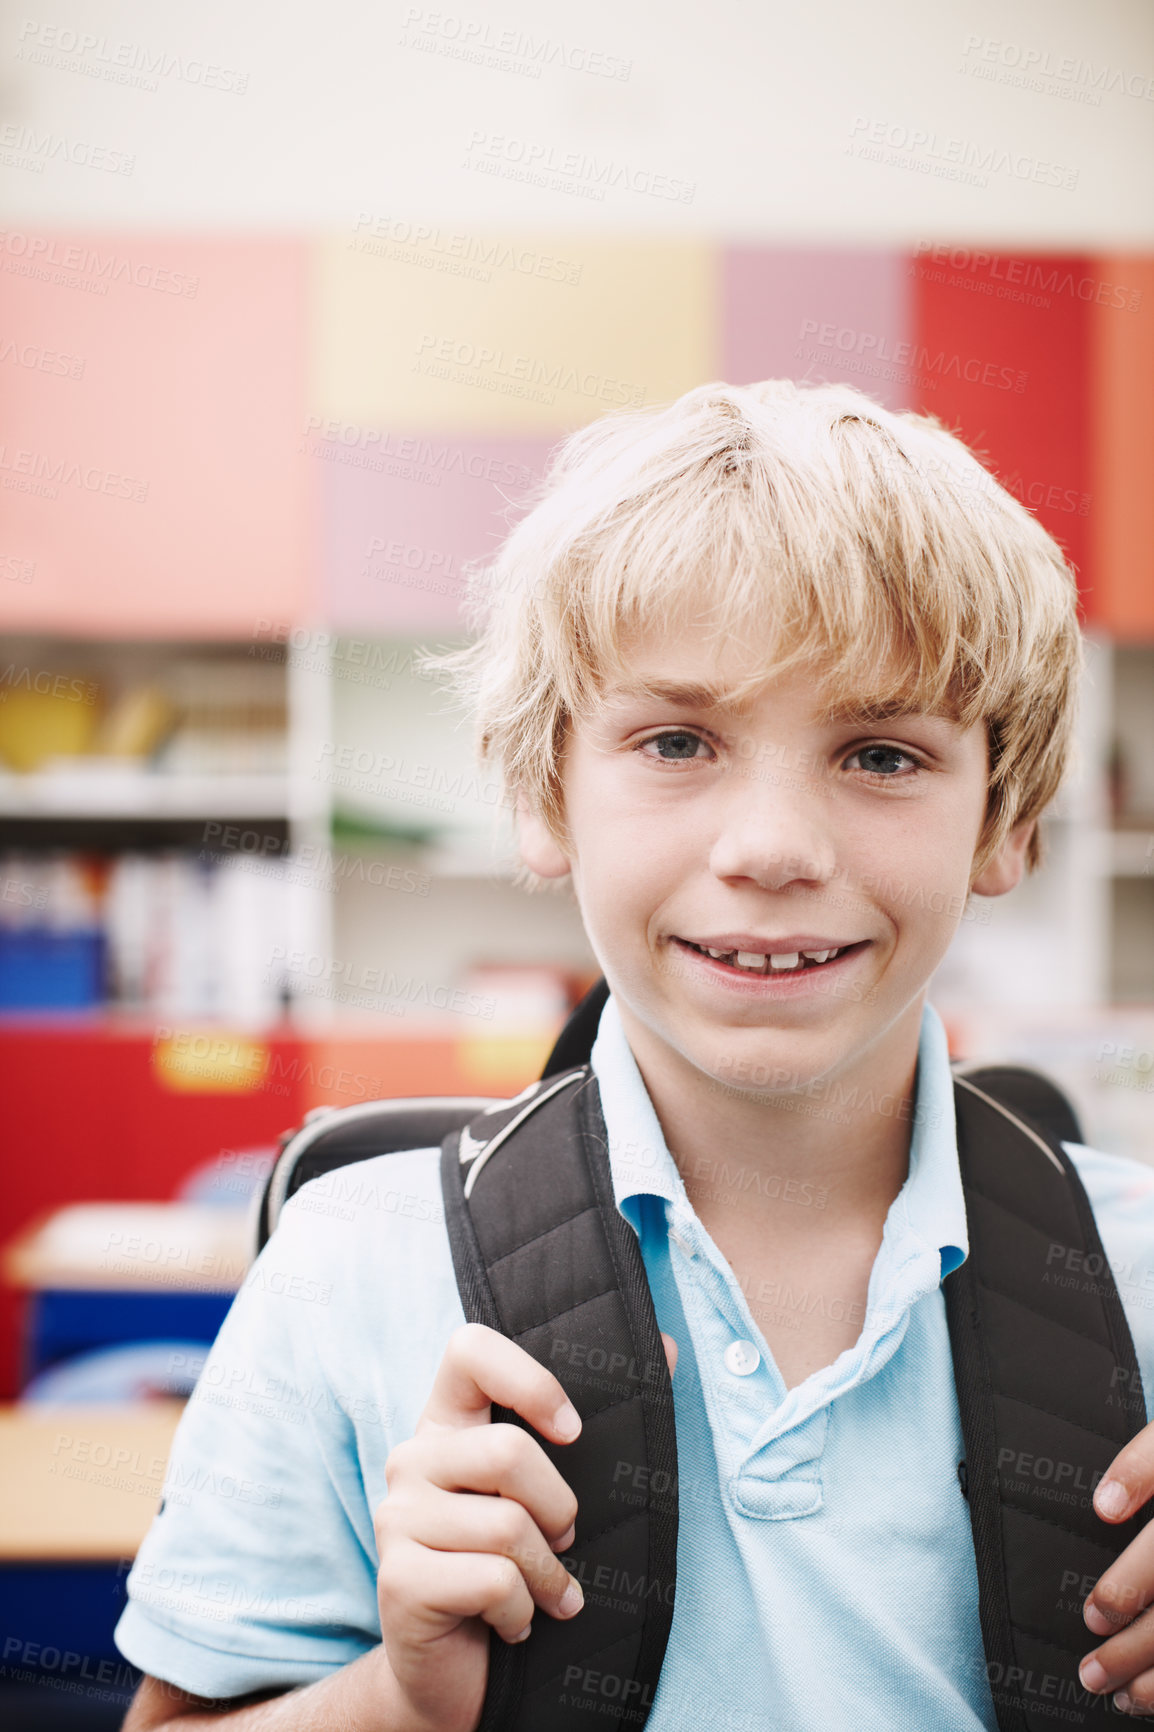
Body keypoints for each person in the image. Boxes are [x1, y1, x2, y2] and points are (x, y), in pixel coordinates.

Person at [118, 380, 1154, 1730]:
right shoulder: (349, 1266)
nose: (773, 847)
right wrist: (403, 1704)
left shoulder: (1134, 1276)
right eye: (675, 741)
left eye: (882, 754)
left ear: (1003, 823)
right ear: (545, 797)